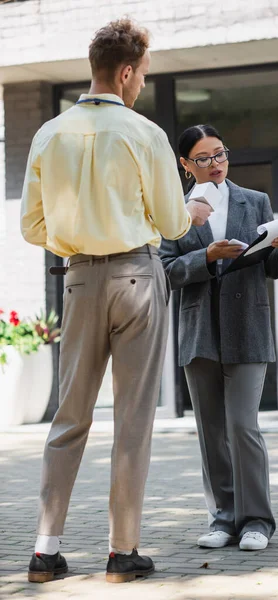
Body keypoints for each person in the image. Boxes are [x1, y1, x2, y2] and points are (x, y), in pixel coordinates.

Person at [20, 20, 211, 584]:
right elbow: (175, 221)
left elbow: (33, 227)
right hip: (136, 278)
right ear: (126, 71)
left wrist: (79, 232)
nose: (142, 83)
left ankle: (45, 551)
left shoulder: (48, 134)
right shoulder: (144, 132)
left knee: (69, 415)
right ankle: (121, 553)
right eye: (143, 73)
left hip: (77, 281)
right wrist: (184, 214)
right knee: (131, 419)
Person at [160, 124, 278, 551]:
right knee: (211, 430)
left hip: (248, 327)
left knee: (242, 426)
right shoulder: (173, 211)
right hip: (199, 330)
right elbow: (165, 271)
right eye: (203, 159)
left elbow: (271, 268)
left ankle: (256, 520)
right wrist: (205, 255)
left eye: (220, 154)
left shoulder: (256, 201)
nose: (215, 164)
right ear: (185, 165)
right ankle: (223, 518)